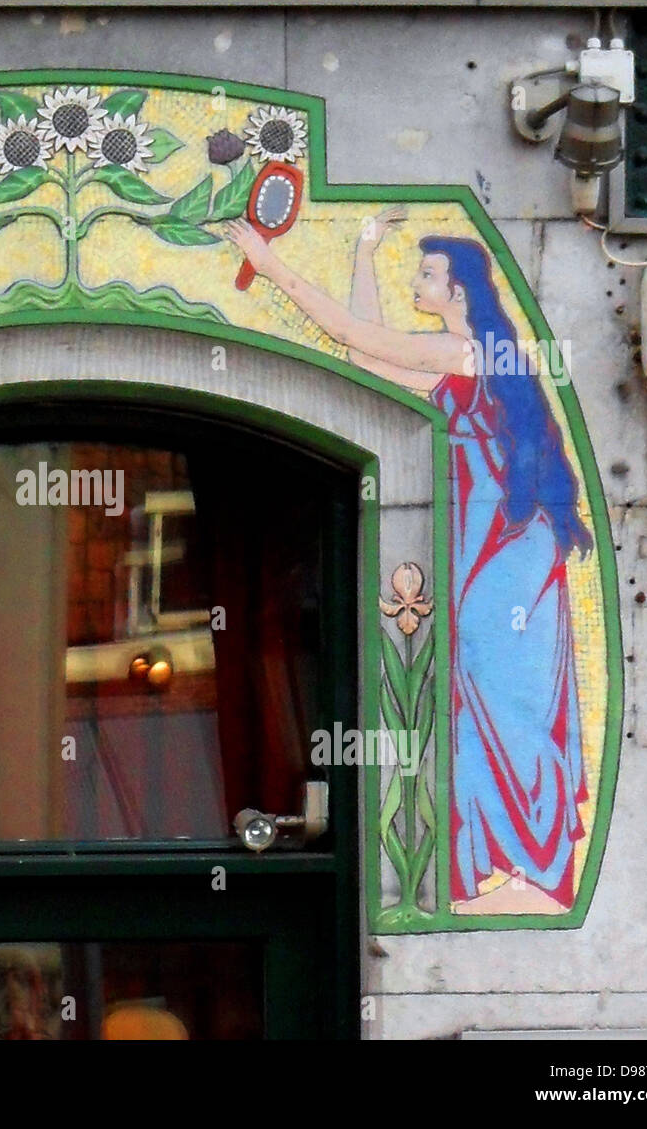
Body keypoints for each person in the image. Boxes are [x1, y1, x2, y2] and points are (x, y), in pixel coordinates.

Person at [224, 210, 590, 914]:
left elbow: (356, 335)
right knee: (475, 689)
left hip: (509, 551)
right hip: (493, 544)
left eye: (427, 274)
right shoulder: (458, 355)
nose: (416, 282)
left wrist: (271, 265)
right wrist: (364, 251)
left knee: (495, 689)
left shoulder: (468, 354)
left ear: (460, 291)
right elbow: (367, 358)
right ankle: (505, 865)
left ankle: (524, 868)